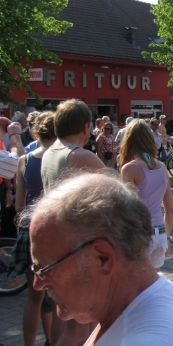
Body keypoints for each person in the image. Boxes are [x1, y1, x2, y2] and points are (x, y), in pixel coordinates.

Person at [25, 172, 173, 345]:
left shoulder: (146, 339)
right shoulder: (145, 299)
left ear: (102, 258)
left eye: (46, 268)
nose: (37, 283)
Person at [40, 99, 105, 346]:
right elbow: (120, 193)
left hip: (54, 244)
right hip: (78, 246)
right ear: (86, 127)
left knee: (63, 311)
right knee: (82, 325)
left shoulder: (49, 153)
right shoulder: (79, 156)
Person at [12, 112, 56, 346]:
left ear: (35, 131)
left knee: (34, 298)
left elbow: (20, 205)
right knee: (58, 299)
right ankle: (55, 341)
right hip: (55, 234)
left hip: (30, 231)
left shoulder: (24, 160)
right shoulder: (62, 159)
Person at [119, 120, 173, 270]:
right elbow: (169, 209)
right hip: (160, 234)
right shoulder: (161, 167)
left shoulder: (130, 169)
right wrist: (167, 237)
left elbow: (127, 209)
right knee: (152, 284)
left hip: (140, 234)